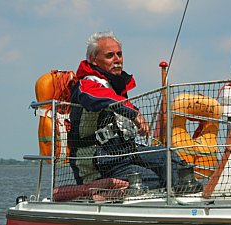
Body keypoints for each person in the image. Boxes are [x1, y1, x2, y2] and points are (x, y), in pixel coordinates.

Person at [68, 31, 202, 193]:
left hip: (124, 153)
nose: (117, 59)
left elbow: (115, 101)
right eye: (110, 56)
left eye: (119, 54)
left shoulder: (114, 86)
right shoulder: (86, 84)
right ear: (93, 60)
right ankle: (177, 206)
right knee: (152, 179)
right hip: (98, 163)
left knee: (167, 157)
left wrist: (134, 116)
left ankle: (188, 200)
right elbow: (100, 97)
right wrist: (135, 114)